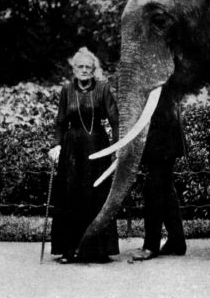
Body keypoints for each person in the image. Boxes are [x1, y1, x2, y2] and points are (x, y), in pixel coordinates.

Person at [48, 47, 119, 263]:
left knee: (96, 195)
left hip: (97, 146)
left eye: (88, 67)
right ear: (74, 69)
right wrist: (56, 145)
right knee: (71, 196)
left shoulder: (103, 88)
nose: (85, 70)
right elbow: (61, 121)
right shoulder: (67, 89)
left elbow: (115, 120)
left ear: (93, 69)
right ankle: (69, 250)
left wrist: (117, 147)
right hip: (72, 149)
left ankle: (98, 250)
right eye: (81, 66)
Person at [129, 85, 187, 261]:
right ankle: (177, 242)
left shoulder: (160, 79)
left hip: (161, 141)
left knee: (153, 191)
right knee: (166, 190)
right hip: (167, 140)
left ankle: (150, 246)